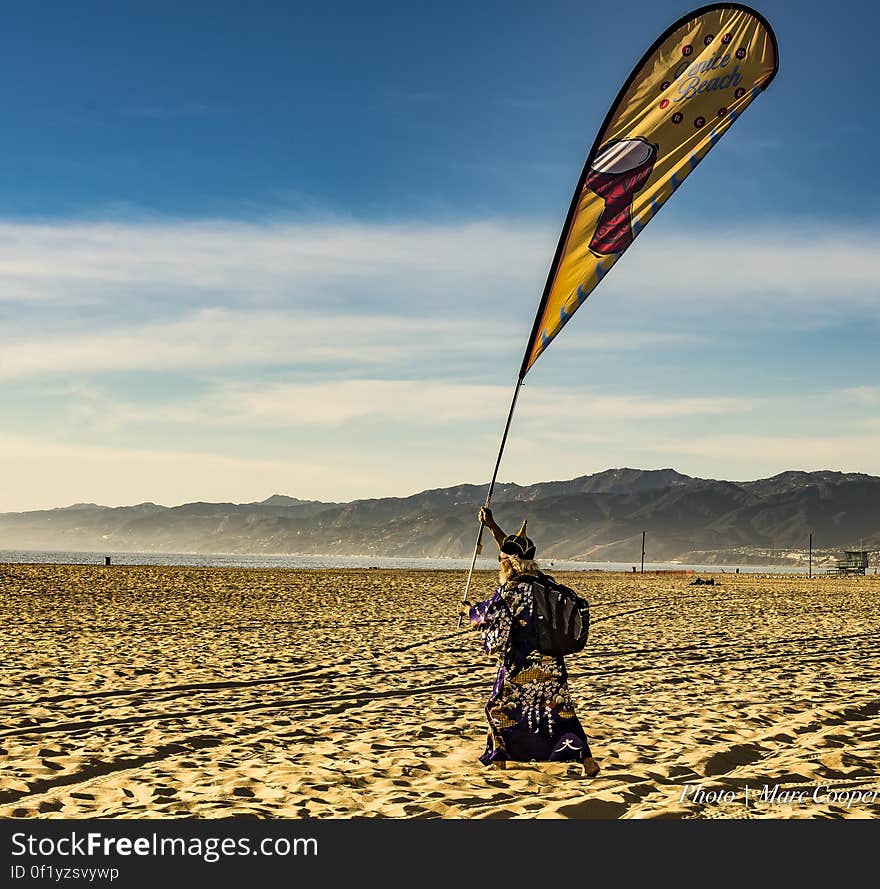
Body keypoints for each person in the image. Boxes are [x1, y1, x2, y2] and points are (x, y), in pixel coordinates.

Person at [458, 507, 600, 777]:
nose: (500, 563)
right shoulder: (544, 581)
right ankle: (587, 762)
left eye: (502, 561)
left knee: (498, 706)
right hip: (551, 663)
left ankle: (499, 758)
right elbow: (511, 550)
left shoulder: (510, 590)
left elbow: (488, 614)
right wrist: (491, 525)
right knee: (560, 710)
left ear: (508, 564)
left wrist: (467, 611)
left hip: (520, 663)